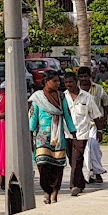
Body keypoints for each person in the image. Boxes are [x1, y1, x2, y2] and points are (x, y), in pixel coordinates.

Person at [29, 75, 70, 203]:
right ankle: (47, 190)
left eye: (59, 81)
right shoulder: (37, 98)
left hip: (58, 136)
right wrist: (30, 133)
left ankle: (55, 192)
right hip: (42, 137)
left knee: (58, 166)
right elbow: (33, 116)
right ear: (47, 82)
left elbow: (67, 114)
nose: (58, 83)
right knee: (43, 165)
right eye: (55, 81)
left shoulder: (61, 96)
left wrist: (72, 130)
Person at [62, 70, 100, 197]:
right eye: (66, 82)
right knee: (72, 160)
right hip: (66, 133)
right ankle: (81, 182)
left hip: (82, 133)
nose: (68, 84)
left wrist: (99, 131)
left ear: (76, 82)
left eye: (71, 82)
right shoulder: (62, 97)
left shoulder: (87, 97)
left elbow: (95, 115)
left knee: (77, 158)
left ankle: (74, 185)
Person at [77, 66, 108, 184]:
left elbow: (106, 103)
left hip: (96, 123)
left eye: (85, 76)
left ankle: (97, 172)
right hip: (80, 124)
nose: (83, 79)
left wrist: (105, 117)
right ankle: (91, 174)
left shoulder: (98, 89)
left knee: (94, 147)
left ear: (90, 77)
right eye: (81, 77)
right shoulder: (75, 90)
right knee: (85, 150)